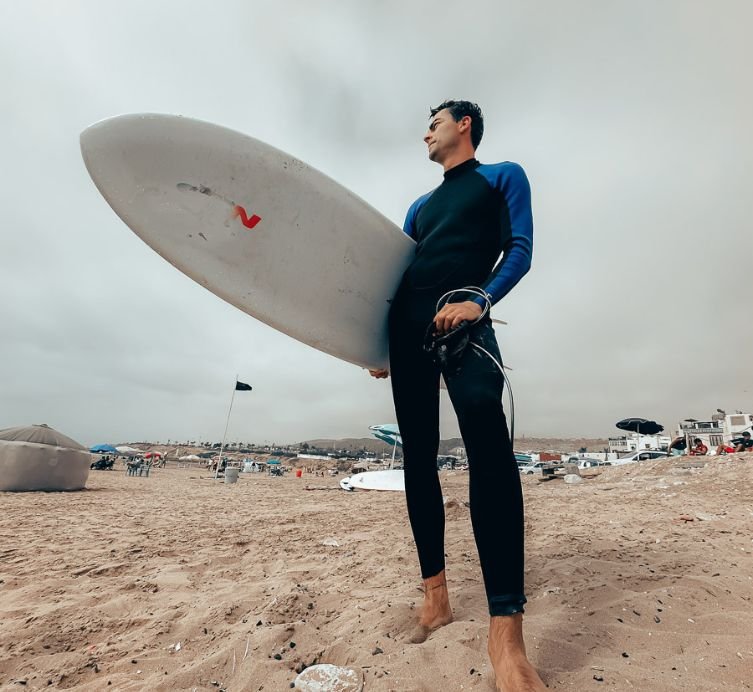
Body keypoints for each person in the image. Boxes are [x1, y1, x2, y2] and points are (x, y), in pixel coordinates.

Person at [369, 100, 544, 691]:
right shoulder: (418, 207)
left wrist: (480, 302)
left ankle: (506, 635)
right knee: (417, 457)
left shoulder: (502, 177)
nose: (426, 131)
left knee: (486, 445)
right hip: (407, 329)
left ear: (464, 124)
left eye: (434, 121)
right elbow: (393, 277)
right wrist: (375, 346)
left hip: (467, 313)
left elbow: (519, 248)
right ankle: (436, 598)